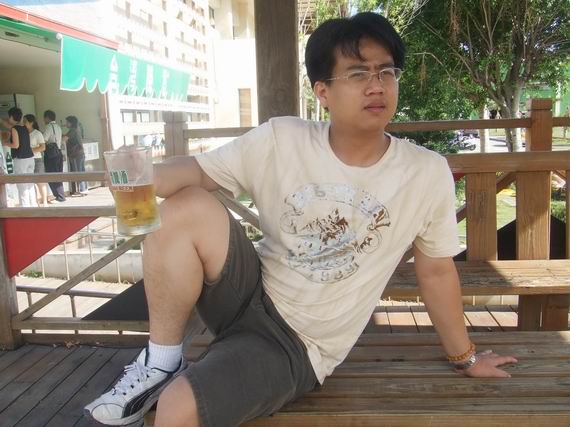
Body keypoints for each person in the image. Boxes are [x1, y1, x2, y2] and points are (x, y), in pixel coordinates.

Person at [85, 12, 517, 427]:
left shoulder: (424, 172)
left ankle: (192, 376)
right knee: (185, 205)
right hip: (247, 292)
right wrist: (142, 176)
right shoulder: (282, 139)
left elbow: (437, 271)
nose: (376, 85)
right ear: (322, 91)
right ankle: (161, 361)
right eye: (358, 73)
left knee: (177, 410)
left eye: (386, 71)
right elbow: (198, 171)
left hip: (297, 344)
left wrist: (466, 357)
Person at [1, 107, 37, 207]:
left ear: (11, 117)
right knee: (30, 184)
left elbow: (16, 145)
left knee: (22, 185)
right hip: (30, 158)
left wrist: (5, 143)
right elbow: (9, 126)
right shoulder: (24, 128)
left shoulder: (14, 129)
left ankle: (25, 209)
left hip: (21, 160)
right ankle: (33, 206)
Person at [24, 114, 48, 206]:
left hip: (37, 159)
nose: (23, 123)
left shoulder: (37, 133)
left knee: (40, 181)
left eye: (25, 121)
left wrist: (30, 151)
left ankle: (44, 201)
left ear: (31, 123)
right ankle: (36, 202)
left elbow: (43, 147)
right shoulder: (24, 133)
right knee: (31, 182)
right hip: (27, 159)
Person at [42, 110, 66, 202]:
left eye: (44, 118)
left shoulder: (48, 127)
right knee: (58, 174)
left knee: (51, 174)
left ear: (47, 118)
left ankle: (59, 196)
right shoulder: (58, 127)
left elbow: (44, 140)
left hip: (51, 154)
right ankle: (61, 195)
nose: (44, 120)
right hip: (58, 152)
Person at [63, 115, 87, 196]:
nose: (66, 123)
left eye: (67, 122)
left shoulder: (72, 130)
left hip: (75, 154)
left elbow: (64, 139)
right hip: (80, 153)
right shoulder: (76, 129)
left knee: (77, 172)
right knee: (81, 170)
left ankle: (80, 190)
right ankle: (84, 189)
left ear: (71, 123)